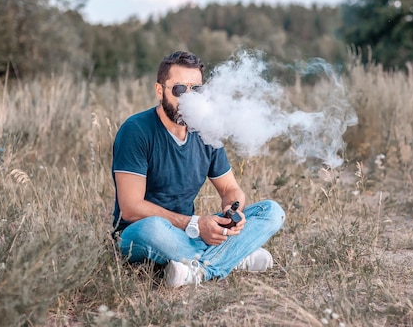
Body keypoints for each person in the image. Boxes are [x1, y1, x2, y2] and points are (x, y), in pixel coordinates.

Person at [111, 50, 285, 288]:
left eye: (197, 90)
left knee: (271, 211)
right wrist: (195, 224)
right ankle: (233, 258)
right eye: (180, 89)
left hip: (187, 234)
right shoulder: (136, 131)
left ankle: (198, 269)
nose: (189, 98)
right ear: (160, 90)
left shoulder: (205, 130)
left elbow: (230, 189)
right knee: (153, 228)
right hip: (141, 233)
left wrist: (232, 210)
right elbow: (130, 209)